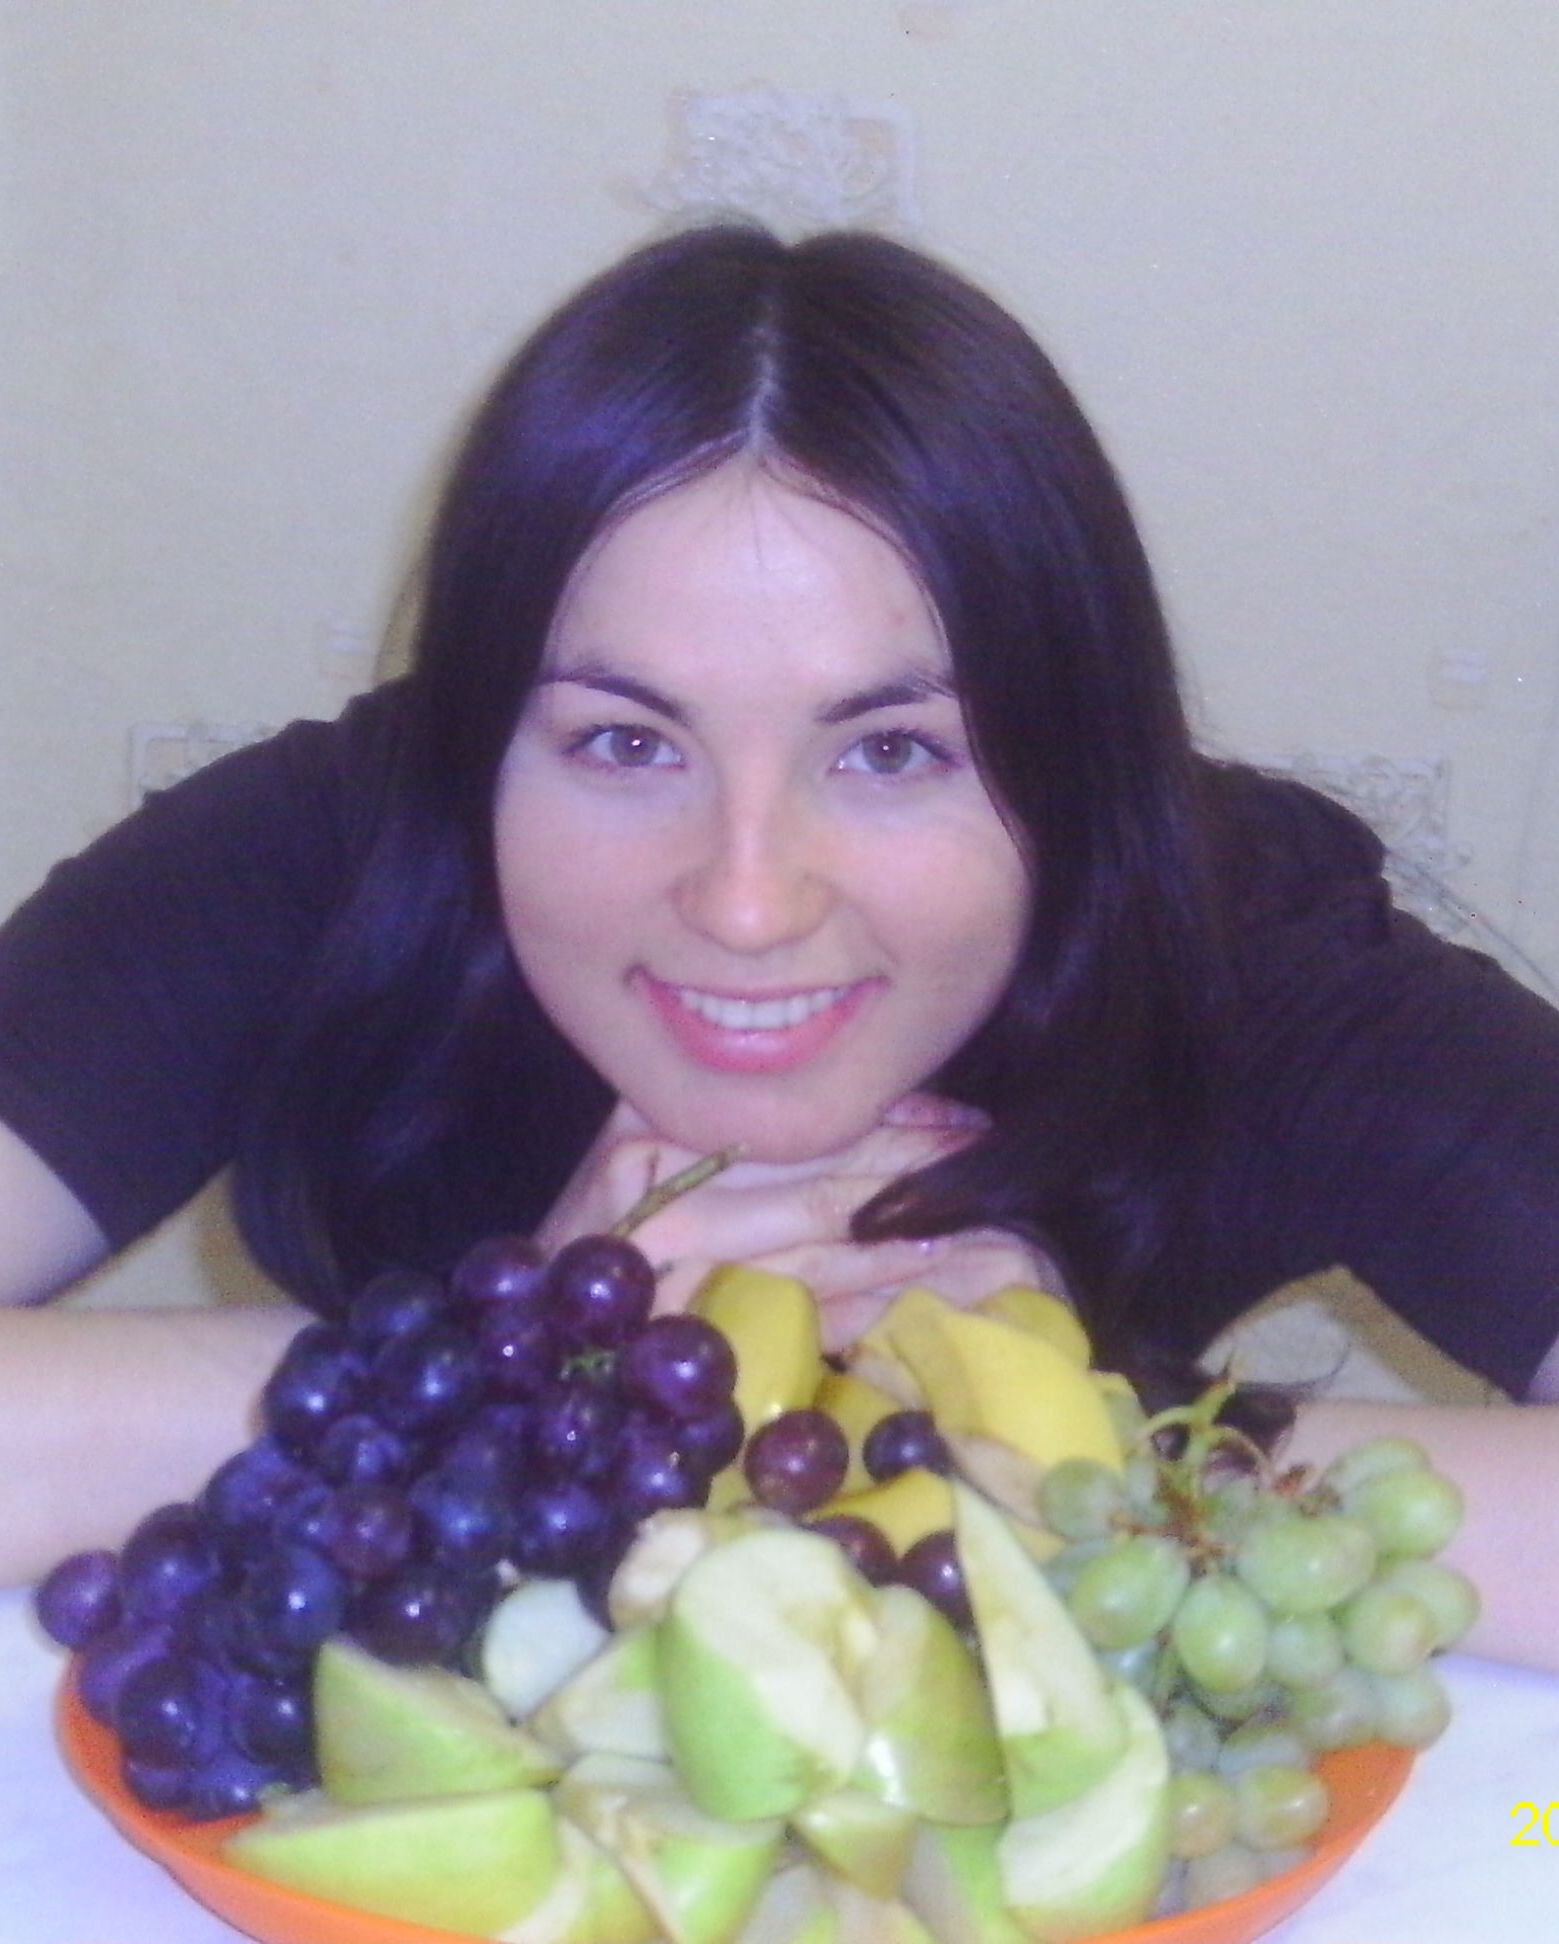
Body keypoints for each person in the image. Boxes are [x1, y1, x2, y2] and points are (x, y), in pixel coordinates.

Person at [2, 222, 1557, 1666]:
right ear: (481, 733)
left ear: (1072, 751)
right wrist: (491, 1378)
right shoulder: (321, 855)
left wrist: (1073, 1446)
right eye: (625, 744)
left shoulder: (1240, 943)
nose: (748, 905)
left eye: (892, 752)